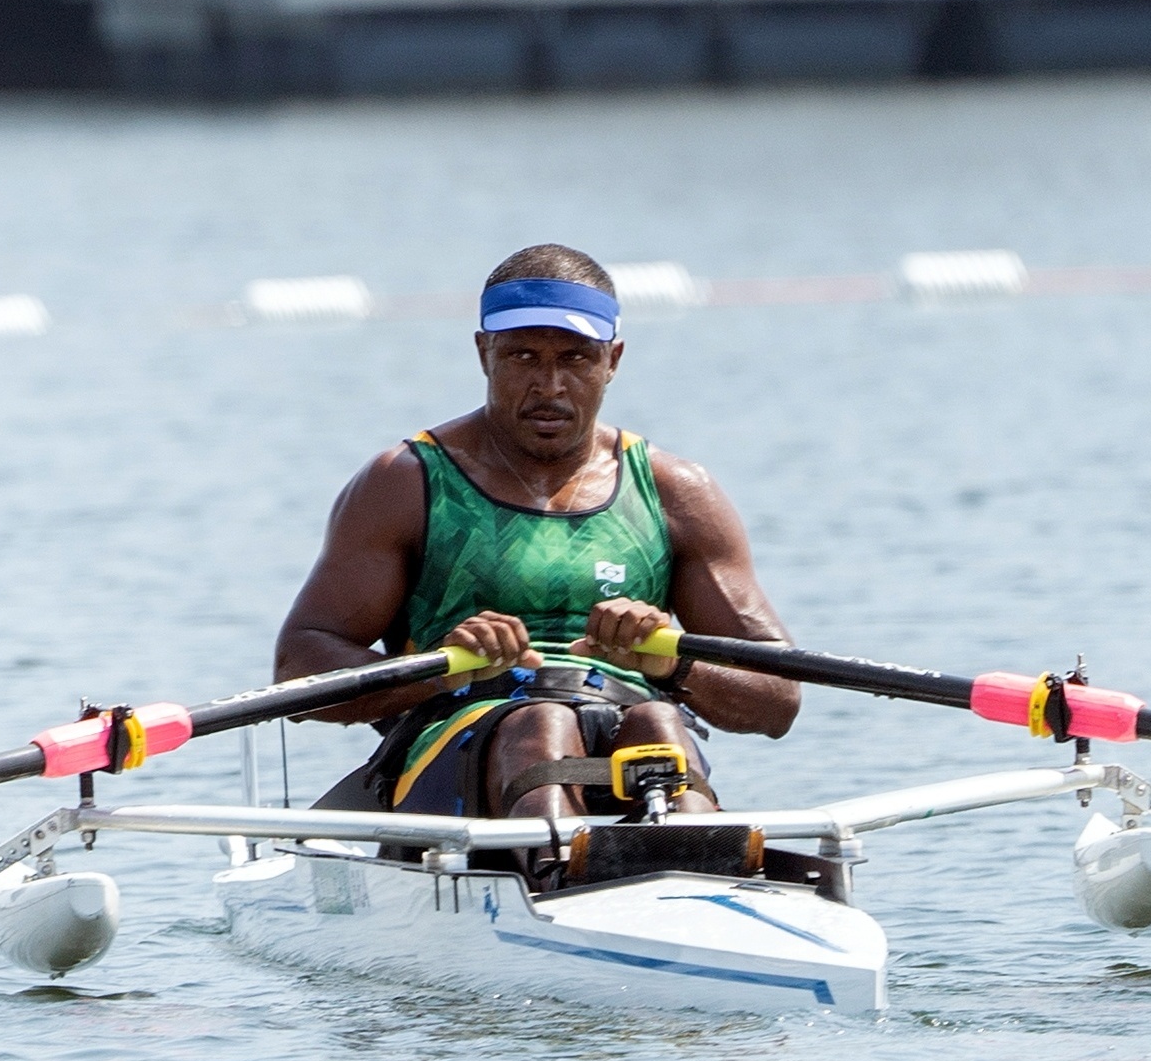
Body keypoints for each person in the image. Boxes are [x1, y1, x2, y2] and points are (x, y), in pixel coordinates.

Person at [274, 242, 798, 865]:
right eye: (523, 356)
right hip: (453, 748)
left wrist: (669, 666)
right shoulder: (405, 482)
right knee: (541, 723)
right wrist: (448, 666)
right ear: (483, 354)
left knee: (659, 725)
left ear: (613, 361)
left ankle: (699, 870)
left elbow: (777, 698)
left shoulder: (676, 492)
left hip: (626, 724)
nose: (549, 386)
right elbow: (301, 664)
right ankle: (560, 879)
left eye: (575, 358)